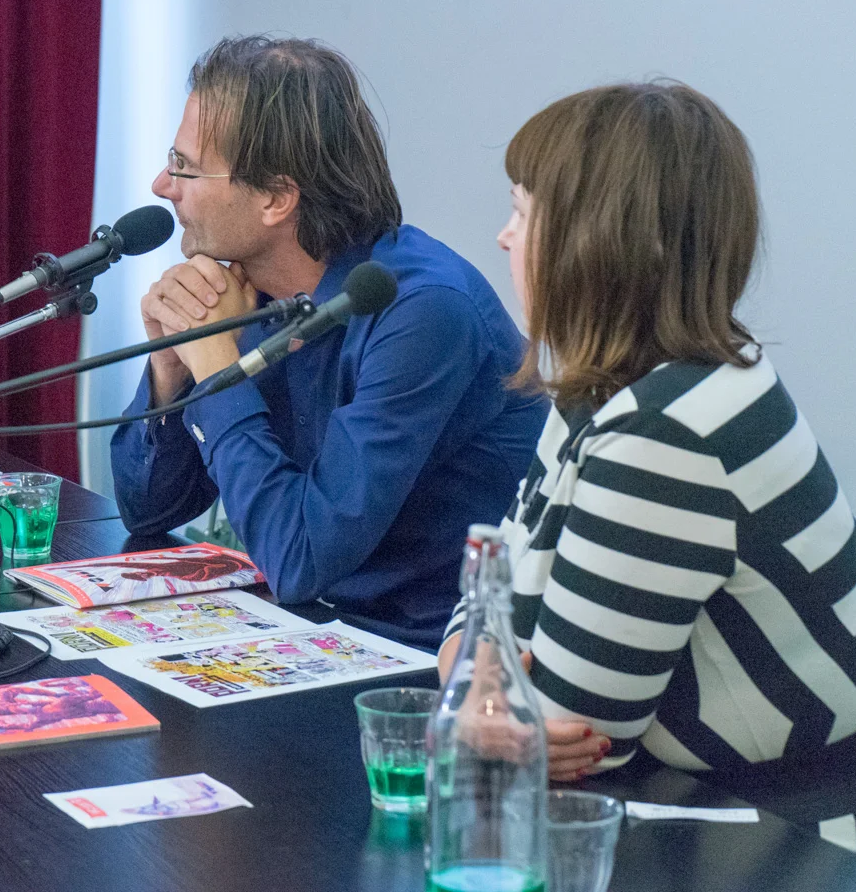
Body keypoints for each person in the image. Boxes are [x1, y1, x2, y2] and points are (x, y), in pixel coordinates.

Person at [439, 83, 856, 815]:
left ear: (596, 240)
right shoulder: (623, 382)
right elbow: (489, 598)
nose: (503, 237)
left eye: (521, 212)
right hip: (692, 812)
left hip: (763, 837)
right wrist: (472, 674)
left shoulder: (669, 431)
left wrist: (478, 690)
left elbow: (574, 735)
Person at [109, 36, 547, 649]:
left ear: (276, 199)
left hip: (421, 663)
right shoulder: (246, 286)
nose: (162, 184)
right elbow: (148, 511)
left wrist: (216, 370)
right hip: (312, 631)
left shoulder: (421, 311)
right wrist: (170, 367)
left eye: (184, 166)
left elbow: (300, 558)